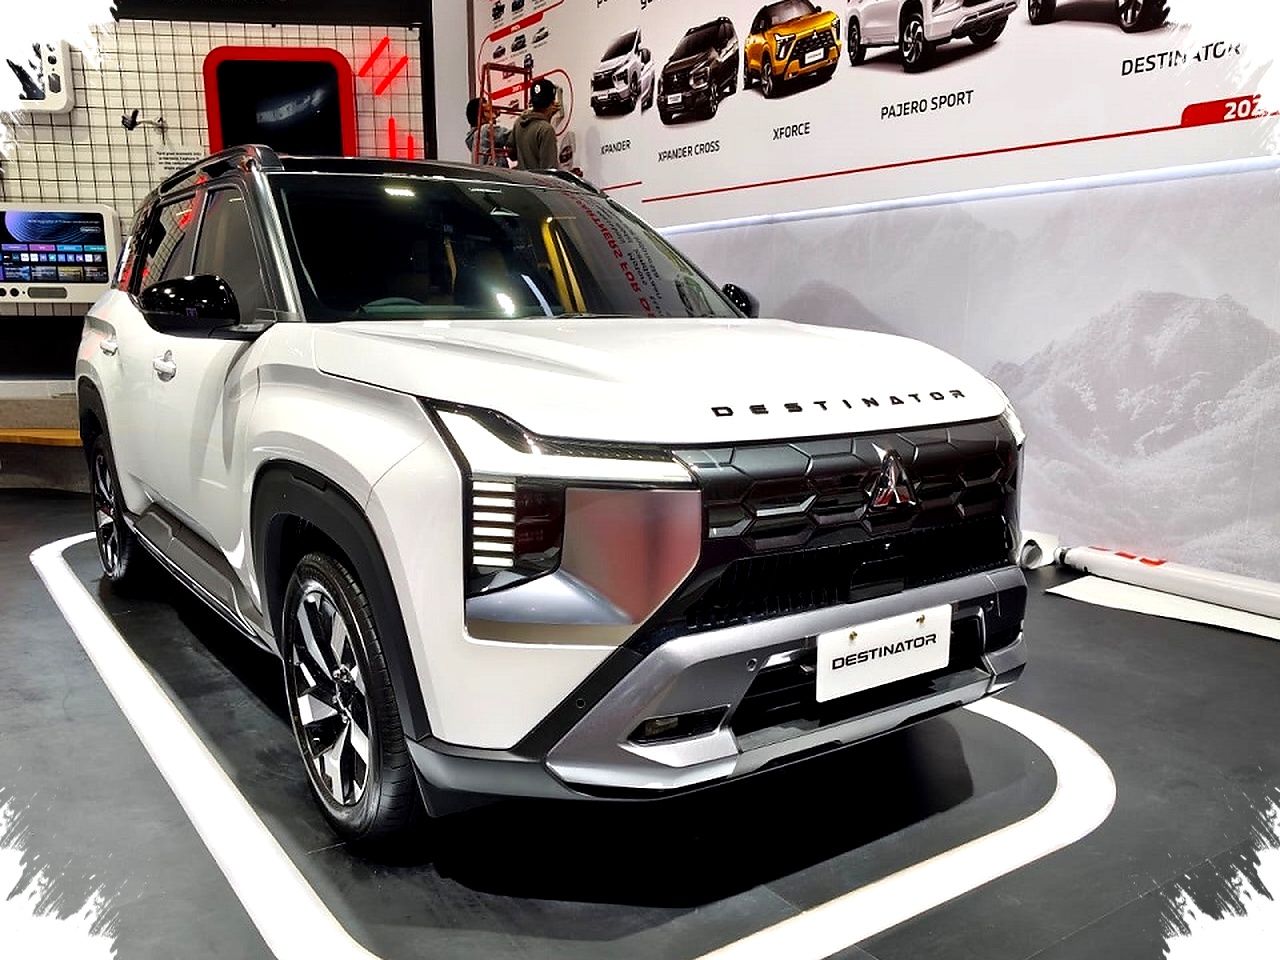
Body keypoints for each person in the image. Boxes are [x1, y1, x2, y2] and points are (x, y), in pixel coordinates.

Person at [513, 78, 559, 170]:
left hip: (521, 177)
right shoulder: (546, 129)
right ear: (552, 102)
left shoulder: (519, 122)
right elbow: (549, 169)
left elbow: (512, 154)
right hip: (537, 179)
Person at [464, 96, 511, 166]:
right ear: (480, 115)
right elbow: (513, 136)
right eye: (489, 110)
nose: (494, 113)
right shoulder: (486, 129)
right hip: (497, 171)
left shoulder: (474, 138)